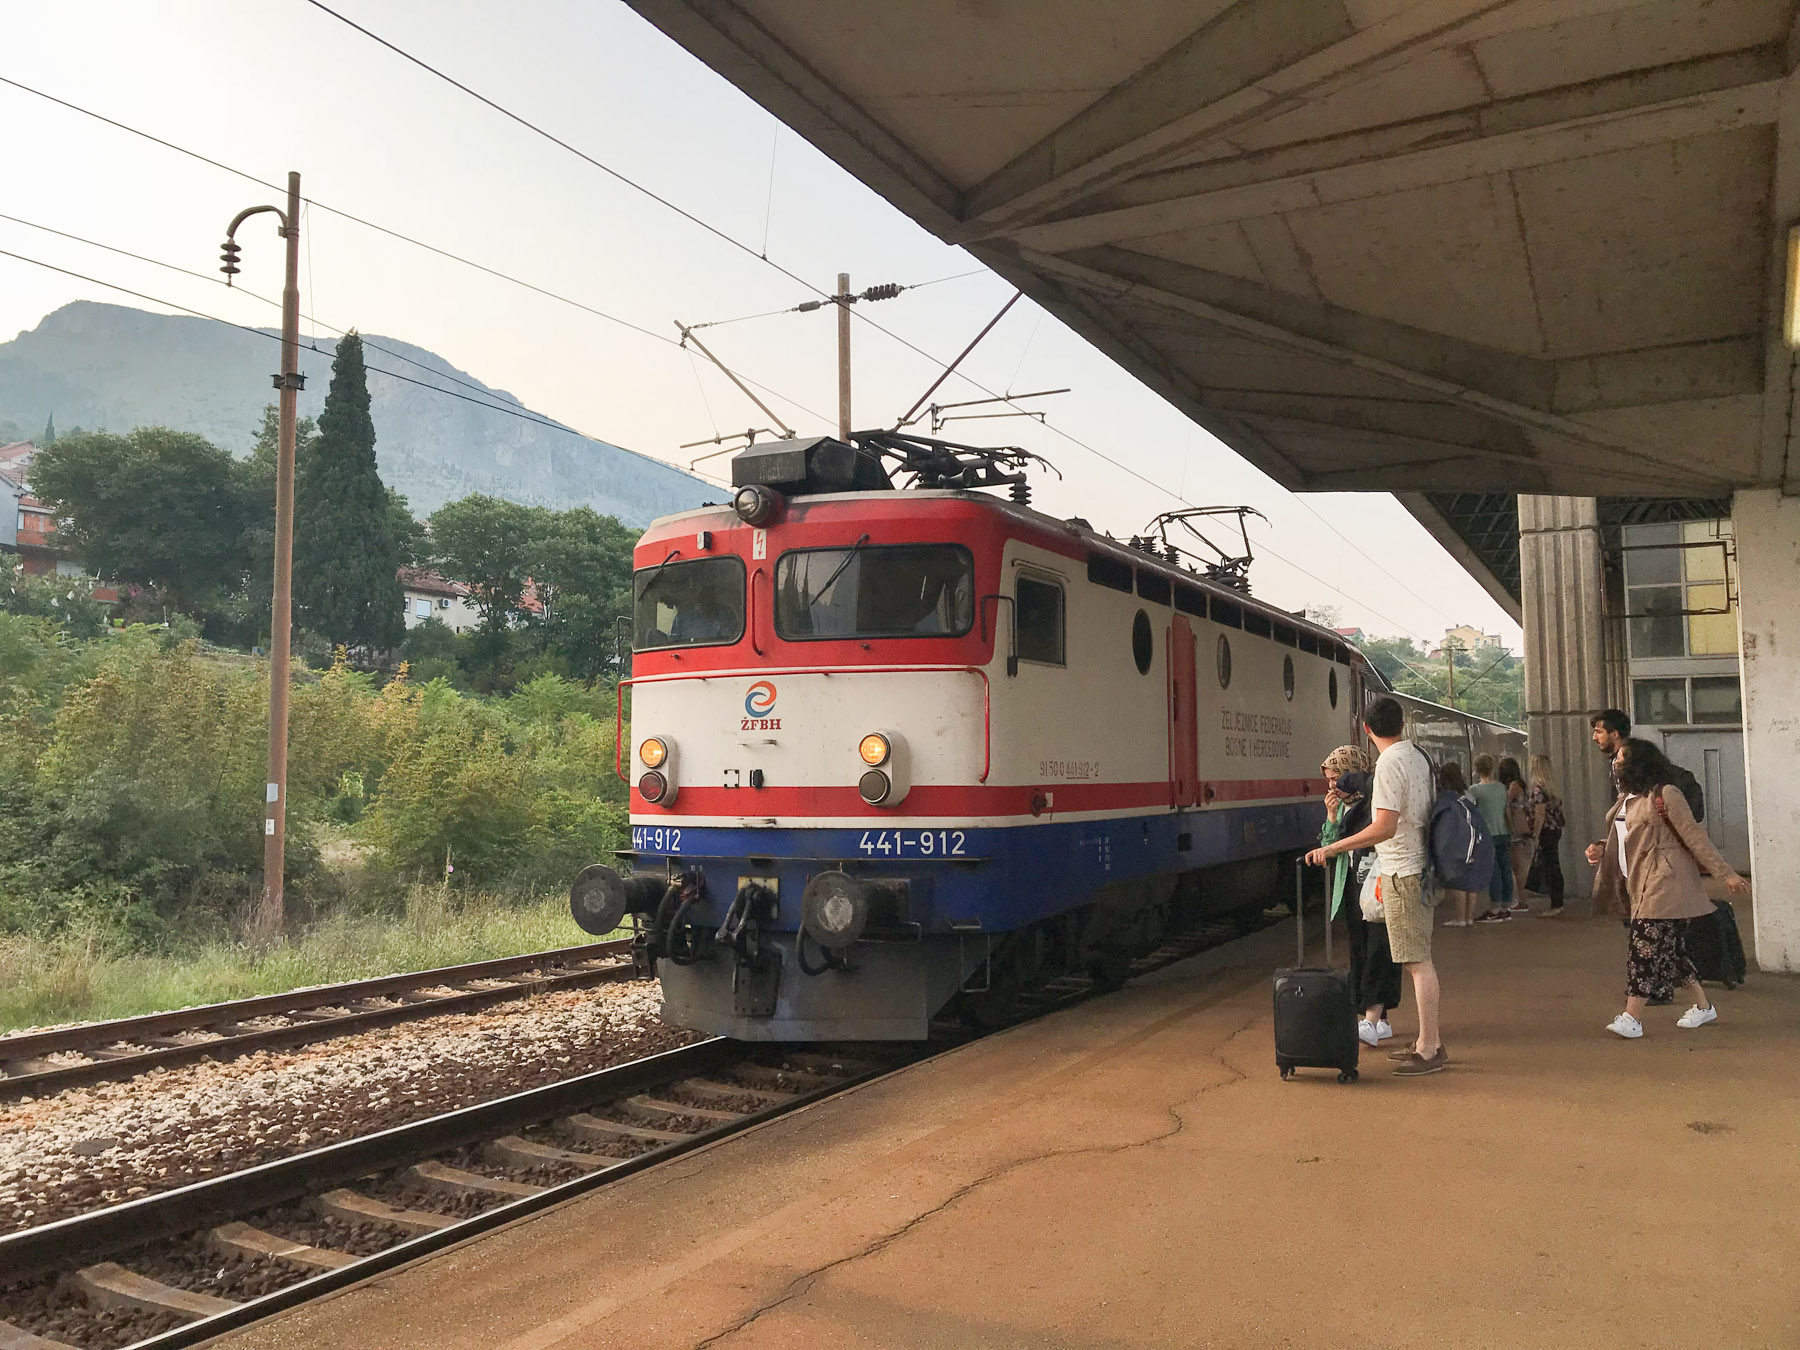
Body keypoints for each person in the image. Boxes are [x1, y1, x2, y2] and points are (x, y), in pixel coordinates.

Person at [1305, 697, 1444, 1076]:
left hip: (1402, 870)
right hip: (1418, 866)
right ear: (1402, 724)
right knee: (1415, 960)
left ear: (1367, 731)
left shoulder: (1388, 765)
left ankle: (1430, 1047)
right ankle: (1423, 1042)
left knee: (1417, 963)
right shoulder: (1418, 756)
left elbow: (1383, 826)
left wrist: (1332, 846)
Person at [1593, 738, 1748, 1039]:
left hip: (1666, 883)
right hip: (1639, 882)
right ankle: (1703, 1007)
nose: (1615, 762)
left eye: (1622, 757)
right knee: (1671, 952)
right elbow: (1622, 836)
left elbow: (1694, 837)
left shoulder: (1666, 794)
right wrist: (1600, 848)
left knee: (1643, 949)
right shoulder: (1627, 798)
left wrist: (1725, 873)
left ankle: (1632, 1017)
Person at [1318, 744, 1402, 1047]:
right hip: (1353, 886)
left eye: (1338, 778)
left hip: (1378, 885)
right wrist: (1331, 817)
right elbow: (1329, 844)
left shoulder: (1377, 803)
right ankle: (1375, 1017)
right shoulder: (1340, 809)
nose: (1333, 786)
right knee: (1360, 949)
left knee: (1380, 948)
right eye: (1329, 780)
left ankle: (1372, 1018)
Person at [1588, 710, 1633, 919]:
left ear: (1615, 734)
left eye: (1599, 731)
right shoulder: (1616, 763)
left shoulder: (1626, 766)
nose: (1594, 737)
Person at [1467, 755, 1513, 922]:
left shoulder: (1474, 790)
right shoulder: (1501, 788)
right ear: (1492, 768)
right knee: (1506, 869)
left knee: (1494, 871)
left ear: (1477, 769)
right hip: (1503, 832)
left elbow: (1471, 814)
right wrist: (1511, 828)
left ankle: (1494, 908)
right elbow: (1506, 810)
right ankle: (1506, 905)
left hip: (1487, 835)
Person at [1435, 762, 1480, 928]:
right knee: (1470, 879)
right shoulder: (1468, 794)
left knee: (1458, 880)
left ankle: (1459, 917)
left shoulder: (1445, 796)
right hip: (1473, 837)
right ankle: (1469, 917)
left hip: (1454, 839)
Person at [1526, 753, 1567, 914]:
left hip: (1545, 831)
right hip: (1555, 829)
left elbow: (1540, 814)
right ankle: (1558, 901)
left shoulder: (1538, 789)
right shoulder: (1551, 788)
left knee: (1550, 866)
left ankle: (1556, 904)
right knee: (1554, 865)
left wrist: (1535, 835)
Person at [1497, 756, 1535, 914]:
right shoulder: (1521, 784)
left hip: (1517, 831)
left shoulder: (1514, 786)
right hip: (1520, 830)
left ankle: (1522, 901)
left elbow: (1504, 801)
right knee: (1518, 866)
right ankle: (1521, 899)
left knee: (1519, 868)